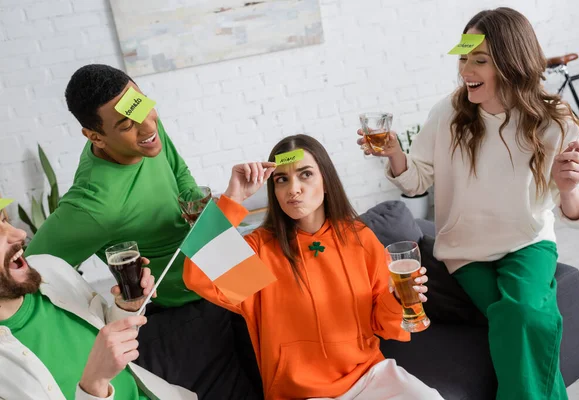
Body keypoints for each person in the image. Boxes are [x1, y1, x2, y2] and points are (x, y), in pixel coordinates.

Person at [357, 7, 579, 400]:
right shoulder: (448, 114)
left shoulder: (558, 122)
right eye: (464, 58)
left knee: (520, 316)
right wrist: (396, 155)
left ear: (511, 62)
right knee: (523, 322)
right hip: (466, 251)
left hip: (528, 243)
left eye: (480, 60)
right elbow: (417, 180)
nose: (466, 69)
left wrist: (568, 187)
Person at [23, 64, 261, 399]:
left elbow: (183, 181)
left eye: (145, 107)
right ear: (95, 137)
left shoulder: (145, 131)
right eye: (126, 125)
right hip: (182, 318)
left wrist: (208, 216)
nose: (149, 127)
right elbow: (29, 271)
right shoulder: (93, 205)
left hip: (225, 275)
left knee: (278, 378)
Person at [183, 134, 443, 400]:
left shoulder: (359, 238)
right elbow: (197, 275)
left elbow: (383, 323)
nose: (293, 189)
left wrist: (398, 298)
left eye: (305, 174)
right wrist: (232, 198)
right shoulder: (260, 252)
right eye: (281, 179)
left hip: (369, 376)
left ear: (326, 182)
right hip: (299, 393)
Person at [0, 198, 195, 400]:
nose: (20, 234)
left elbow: (106, 330)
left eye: (5, 220)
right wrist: (94, 385)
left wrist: (127, 306)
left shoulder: (49, 267)